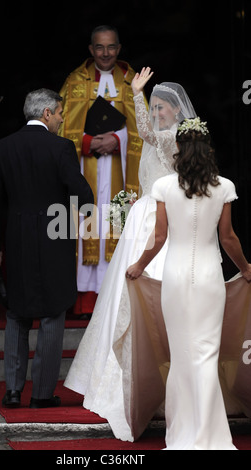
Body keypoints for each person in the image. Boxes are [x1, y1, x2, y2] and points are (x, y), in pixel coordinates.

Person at [64, 68, 198, 440]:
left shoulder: (173, 137)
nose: (156, 113)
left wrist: (136, 95)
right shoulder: (163, 134)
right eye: (152, 107)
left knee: (152, 299)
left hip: (160, 219)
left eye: (161, 108)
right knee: (120, 297)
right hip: (142, 216)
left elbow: (147, 135)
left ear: (176, 112)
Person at [126, 116, 251, 450]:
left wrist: (138, 265)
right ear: (208, 149)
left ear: (178, 148)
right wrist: (247, 268)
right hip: (210, 278)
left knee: (182, 356)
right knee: (205, 356)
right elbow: (228, 239)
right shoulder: (224, 186)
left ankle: (182, 436)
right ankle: (211, 437)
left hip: (176, 278)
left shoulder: (165, 187)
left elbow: (159, 236)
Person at [0, 89, 94, 408]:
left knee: (16, 312)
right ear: (46, 113)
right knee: (52, 313)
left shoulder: (3, 147)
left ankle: (13, 390)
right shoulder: (61, 147)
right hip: (54, 237)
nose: (61, 118)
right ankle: (42, 394)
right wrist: (76, 218)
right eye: (59, 112)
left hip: (16, 238)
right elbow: (83, 196)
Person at [59, 25, 146, 315]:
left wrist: (117, 139)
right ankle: (85, 301)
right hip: (86, 171)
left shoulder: (131, 82)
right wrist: (85, 142)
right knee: (87, 226)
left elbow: (145, 129)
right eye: (99, 47)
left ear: (119, 49)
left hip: (122, 175)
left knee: (116, 224)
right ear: (90, 49)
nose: (105, 53)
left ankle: (116, 300)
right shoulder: (74, 82)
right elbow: (59, 127)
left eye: (111, 47)